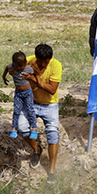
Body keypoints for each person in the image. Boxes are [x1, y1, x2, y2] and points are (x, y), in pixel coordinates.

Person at [16, 43, 62, 172]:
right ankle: (37, 149)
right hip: (31, 102)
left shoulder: (56, 65)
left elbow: (52, 90)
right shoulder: (29, 61)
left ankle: (51, 171)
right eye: (40, 62)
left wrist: (35, 80)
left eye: (46, 62)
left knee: (52, 135)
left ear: (50, 59)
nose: (43, 65)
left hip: (50, 104)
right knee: (22, 129)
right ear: (36, 58)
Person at [2, 50, 38, 140]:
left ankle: (34, 128)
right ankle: (14, 128)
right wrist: (4, 77)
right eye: (17, 66)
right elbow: (7, 67)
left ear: (25, 63)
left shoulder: (28, 68)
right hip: (18, 93)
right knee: (16, 110)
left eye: (21, 66)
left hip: (28, 92)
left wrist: (31, 78)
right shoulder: (12, 67)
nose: (19, 68)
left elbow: (36, 74)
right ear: (14, 63)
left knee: (30, 110)